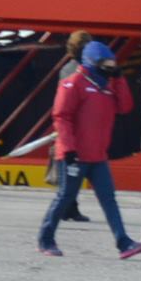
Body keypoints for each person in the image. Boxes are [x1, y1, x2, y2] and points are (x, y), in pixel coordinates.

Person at [39, 39, 141, 259]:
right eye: (107, 64)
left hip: (98, 155)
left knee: (108, 198)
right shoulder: (73, 84)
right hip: (75, 155)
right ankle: (45, 239)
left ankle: (123, 242)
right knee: (65, 197)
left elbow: (125, 106)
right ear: (93, 63)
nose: (110, 68)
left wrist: (119, 80)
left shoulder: (107, 86)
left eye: (113, 64)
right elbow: (62, 117)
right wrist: (69, 149)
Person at [46, 31, 92, 223]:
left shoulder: (66, 69)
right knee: (72, 168)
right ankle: (66, 208)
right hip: (75, 125)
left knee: (72, 168)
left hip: (72, 124)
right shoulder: (78, 71)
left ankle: (70, 207)